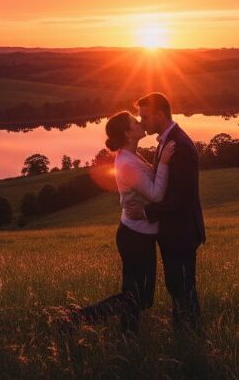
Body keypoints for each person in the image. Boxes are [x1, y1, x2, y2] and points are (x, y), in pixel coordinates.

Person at [67, 110, 175, 333]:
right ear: (127, 133)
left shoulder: (132, 156)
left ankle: (127, 335)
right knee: (140, 297)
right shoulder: (127, 162)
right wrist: (164, 162)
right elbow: (155, 194)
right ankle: (78, 318)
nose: (140, 122)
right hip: (135, 236)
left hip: (137, 232)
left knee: (134, 294)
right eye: (135, 121)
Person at [124, 92, 205, 332]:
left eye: (146, 117)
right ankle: (184, 332)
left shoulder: (179, 146)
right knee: (177, 285)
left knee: (183, 287)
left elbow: (182, 198)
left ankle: (191, 335)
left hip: (182, 232)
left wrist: (146, 213)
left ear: (160, 114)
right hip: (174, 232)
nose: (143, 122)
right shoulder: (166, 142)